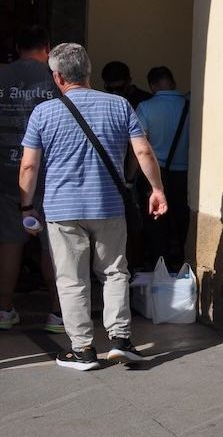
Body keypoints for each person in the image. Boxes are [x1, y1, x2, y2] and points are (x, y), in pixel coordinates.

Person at [18, 43, 168, 369]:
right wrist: (156, 189)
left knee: (72, 279)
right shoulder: (120, 105)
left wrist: (26, 207)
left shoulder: (43, 113)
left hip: (62, 209)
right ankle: (120, 339)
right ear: (88, 71)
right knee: (115, 272)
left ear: (57, 76)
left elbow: (29, 166)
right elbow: (142, 152)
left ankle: (83, 349)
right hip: (109, 205)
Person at [0, 26, 61, 332]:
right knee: (54, 245)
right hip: (50, 175)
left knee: (10, 243)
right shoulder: (55, 79)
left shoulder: (2, 76)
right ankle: (57, 312)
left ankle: (5, 308)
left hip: (6, 173)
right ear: (46, 48)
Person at [135, 66, 190, 269]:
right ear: (172, 82)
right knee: (182, 222)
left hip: (155, 175)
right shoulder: (190, 105)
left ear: (152, 86)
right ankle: (183, 265)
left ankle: (160, 267)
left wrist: (131, 177)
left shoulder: (145, 108)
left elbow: (140, 148)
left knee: (156, 226)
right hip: (185, 174)